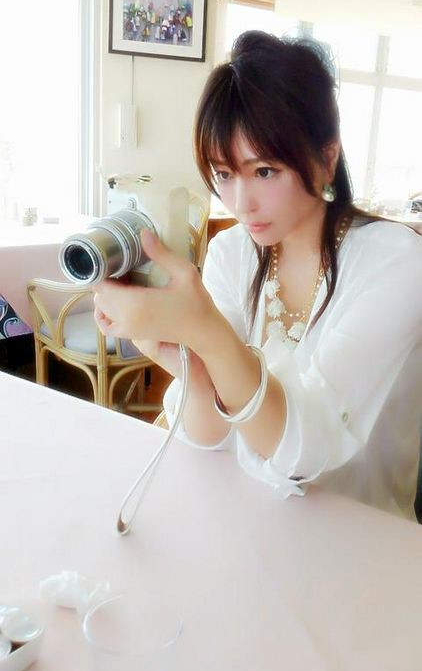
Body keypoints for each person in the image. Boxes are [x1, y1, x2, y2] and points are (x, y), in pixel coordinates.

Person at [94, 30, 422, 520]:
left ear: (326, 159)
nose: (241, 204)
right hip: (248, 521)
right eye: (224, 175)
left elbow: (302, 454)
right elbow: (210, 439)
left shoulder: (396, 262)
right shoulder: (233, 254)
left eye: (264, 171)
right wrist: (187, 364)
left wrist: (206, 332)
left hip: (361, 536)